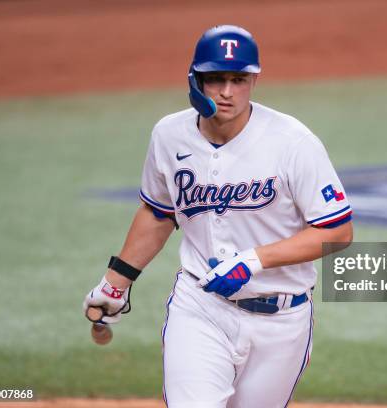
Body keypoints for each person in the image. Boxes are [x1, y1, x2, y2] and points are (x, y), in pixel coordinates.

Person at [83, 24, 353, 408]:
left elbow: (338, 232)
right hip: (200, 307)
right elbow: (159, 213)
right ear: (195, 80)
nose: (227, 92)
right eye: (216, 79)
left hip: (282, 320)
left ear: (254, 79)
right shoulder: (169, 135)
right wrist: (116, 282)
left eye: (238, 79)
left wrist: (253, 260)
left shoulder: (293, 143)